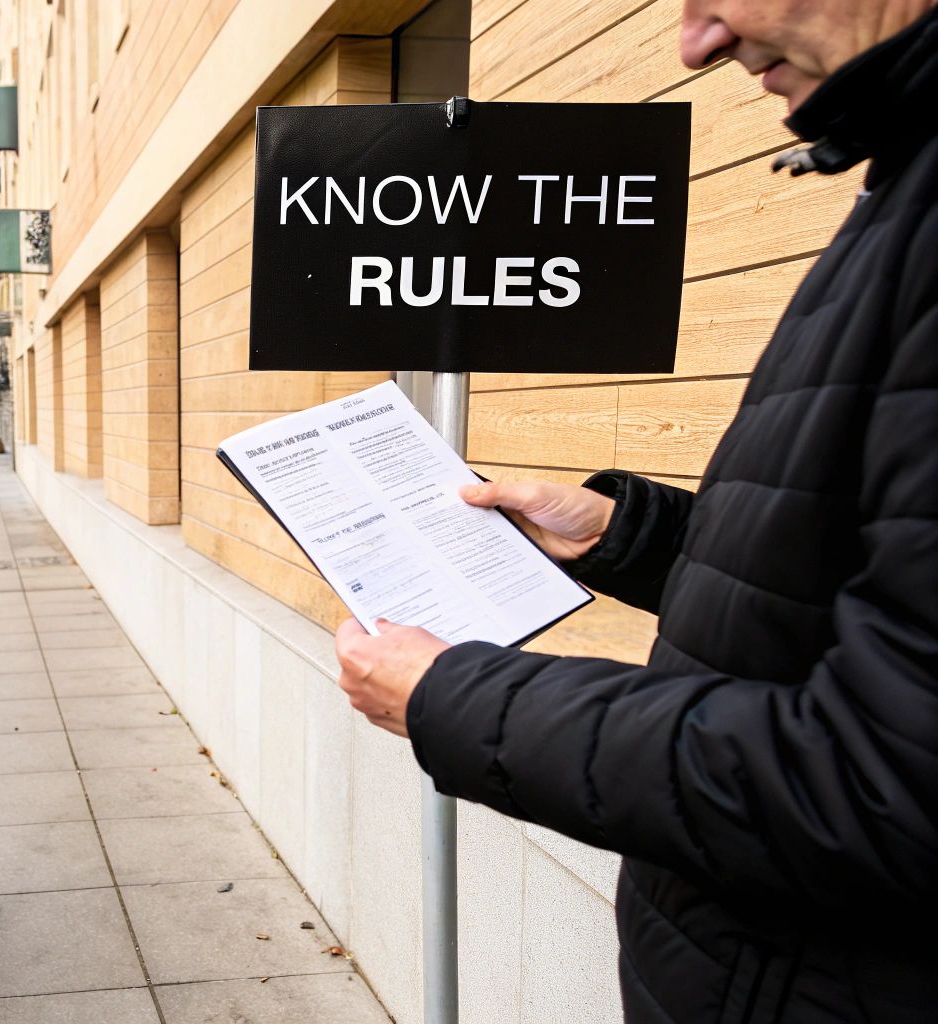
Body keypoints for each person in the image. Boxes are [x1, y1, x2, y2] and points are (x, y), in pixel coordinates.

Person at [334, 1, 938, 1020]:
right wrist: (626, 536)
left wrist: (454, 697)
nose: (694, 43)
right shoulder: (900, 182)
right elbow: (844, 579)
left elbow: (884, 778)